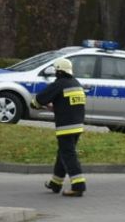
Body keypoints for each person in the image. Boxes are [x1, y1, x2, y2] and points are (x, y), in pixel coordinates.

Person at [34, 57, 88, 197]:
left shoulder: (59, 84)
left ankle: (78, 186)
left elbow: (38, 100)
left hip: (66, 127)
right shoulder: (75, 83)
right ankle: (55, 183)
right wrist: (56, 107)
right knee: (63, 153)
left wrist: (39, 104)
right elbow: (69, 104)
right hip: (77, 126)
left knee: (68, 155)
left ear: (58, 71)